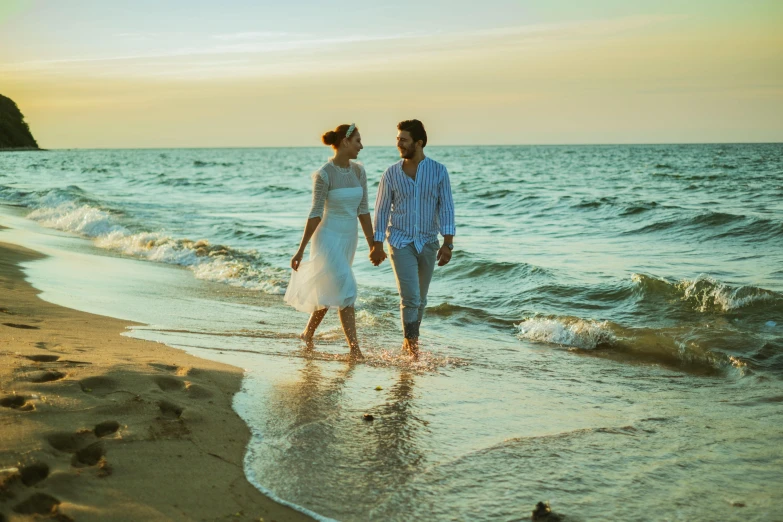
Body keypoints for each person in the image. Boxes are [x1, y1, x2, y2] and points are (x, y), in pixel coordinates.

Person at [284, 123, 381, 360]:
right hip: (327, 237)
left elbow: (364, 211)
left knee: (328, 290)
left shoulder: (359, 172)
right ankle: (355, 349)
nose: (361, 145)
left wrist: (373, 244)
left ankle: (307, 333)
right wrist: (300, 250)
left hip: (349, 238)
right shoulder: (324, 174)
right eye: (358, 140)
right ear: (345, 142)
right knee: (346, 289)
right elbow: (315, 213)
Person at [370, 119, 456, 359]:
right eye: (398, 138)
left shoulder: (438, 171)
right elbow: (382, 209)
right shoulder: (391, 173)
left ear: (419, 143)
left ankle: (408, 343)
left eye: (404, 139)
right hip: (400, 241)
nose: (399, 143)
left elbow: (446, 207)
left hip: (428, 242)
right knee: (410, 298)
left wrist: (448, 243)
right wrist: (376, 245)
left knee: (421, 299)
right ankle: (413, 347)